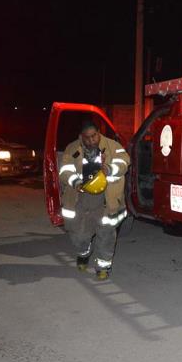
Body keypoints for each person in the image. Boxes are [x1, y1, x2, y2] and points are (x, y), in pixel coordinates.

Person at [58, 120, 130, 280]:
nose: (91, 140)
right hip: (81, 199)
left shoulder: (113, 146)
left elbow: (125, 162)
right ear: (80, 137)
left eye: (94, 136)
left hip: (106, 200)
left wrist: (109, 169)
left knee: (106, 235)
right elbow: (64, 170)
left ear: (99, 133)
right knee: (79, 236)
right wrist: (75, 182)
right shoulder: (72, 148)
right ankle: (83, 252)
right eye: (87, 137)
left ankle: (103, 267)